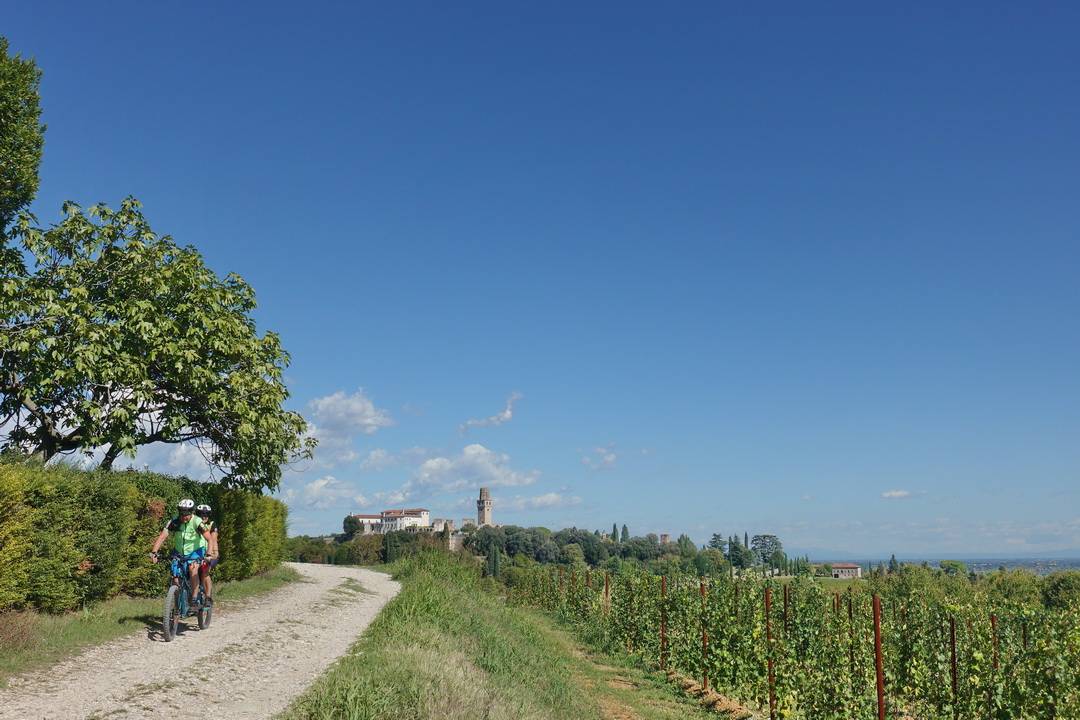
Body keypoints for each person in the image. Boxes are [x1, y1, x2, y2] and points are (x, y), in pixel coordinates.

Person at [150, 499, 213, 606]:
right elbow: (162, 536)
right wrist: (154, 552)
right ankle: (177, 605)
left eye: (186, 515)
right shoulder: (174, 521)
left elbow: (209, 539)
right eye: (182, 514)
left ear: (191, 512)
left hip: (195, 551)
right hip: (178, 552)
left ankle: (193, 598)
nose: (184, 517)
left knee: (193, 570)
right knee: (175, 579)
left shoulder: (197, 522)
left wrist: (208, 554)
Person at [195, 503, 220, 604]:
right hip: (197, 553)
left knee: (204, 572)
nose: (204, 516)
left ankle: (208, 597)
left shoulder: (211, 524)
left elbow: (213, 540)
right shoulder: (194, 523)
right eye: (201, 514)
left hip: (211, 554)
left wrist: (211, 554)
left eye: (206, 514)